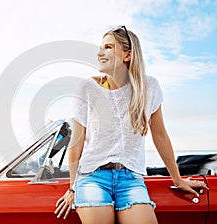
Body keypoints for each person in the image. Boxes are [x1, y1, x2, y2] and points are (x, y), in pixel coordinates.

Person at [54, 26, 208, 224]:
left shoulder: (149, 87)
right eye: (101, 47)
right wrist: (73, 187)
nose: (100, 53)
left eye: (108, 47)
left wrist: (177, 179)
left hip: (130, 180)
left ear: (128, 55)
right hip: (92, 178)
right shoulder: (87, 89)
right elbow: (77, 143)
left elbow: (160, 136)